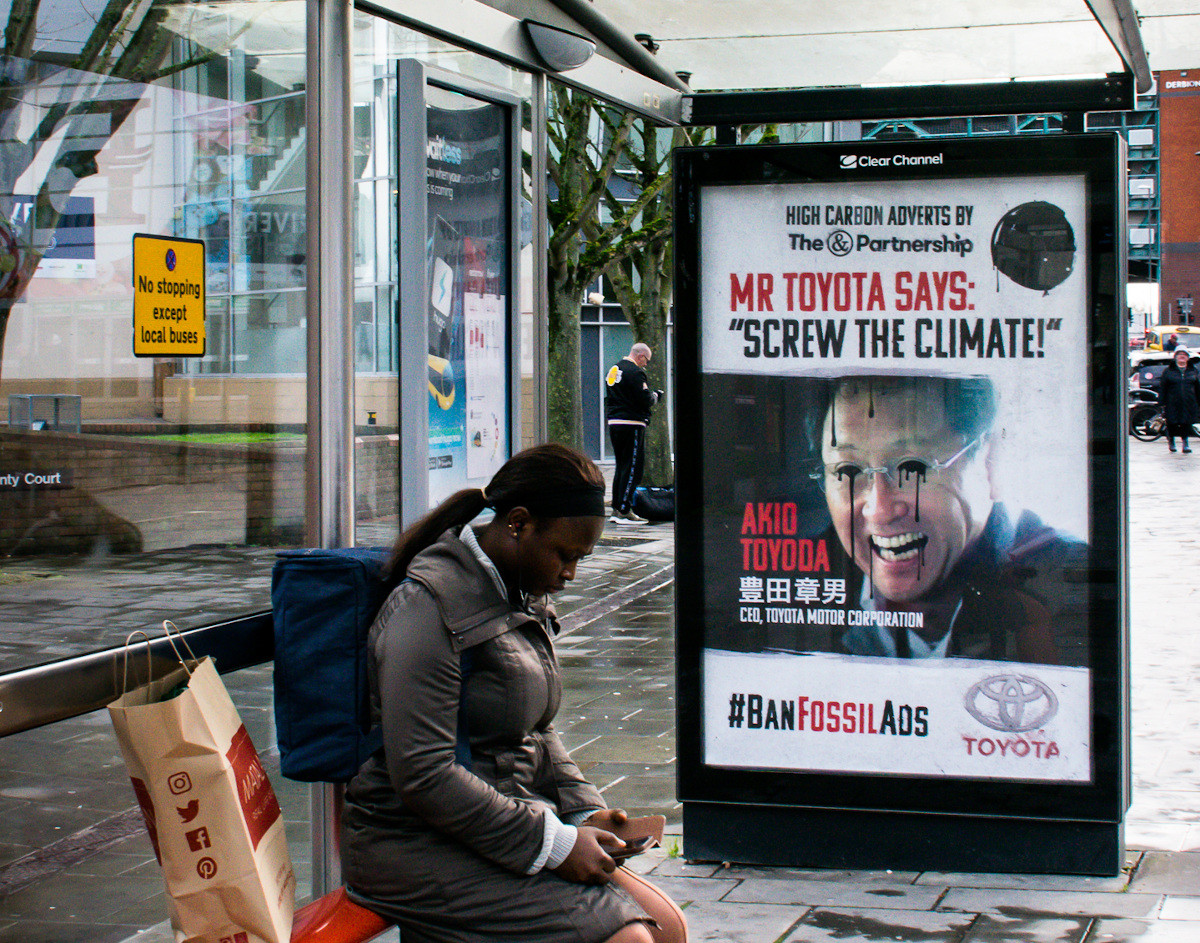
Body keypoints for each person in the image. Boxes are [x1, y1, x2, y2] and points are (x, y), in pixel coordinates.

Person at [341, 443, 687, 943]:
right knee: (627, 939)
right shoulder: (427, 608)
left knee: (668, 925)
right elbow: (423, 773)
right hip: (407, 843)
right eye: (565, 555)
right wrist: (553, 843)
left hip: (496, 822)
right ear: (519, 523)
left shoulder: (517, 591)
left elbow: (537, 730)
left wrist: (584, 810)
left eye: (581, 559)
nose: (570, 575)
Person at [814, 374, 1088, 665]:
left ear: (990, 462)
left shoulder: (1072, 585)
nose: (879, 510)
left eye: (913, 467)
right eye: (847, 471)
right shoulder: (790, 581)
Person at [605, 343, 660, 523]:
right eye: (646, 361)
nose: (645, 365)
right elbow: (644, 399)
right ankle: (624, 510)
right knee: (633, 467)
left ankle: (616, 508)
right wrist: (656, 396)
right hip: (632, 423)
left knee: (622, 466)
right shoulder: (635, 372)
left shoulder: (613, 369)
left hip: (615, 423)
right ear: (641, 356)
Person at [1159, 347, 1200, 453]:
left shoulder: (1193, 371)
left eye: (1184, 355)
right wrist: (1161, 402)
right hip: (1172, 402)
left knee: (1186, 422)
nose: (1182, 357)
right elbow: (1163, 387)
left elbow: (1197, 387)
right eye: (1179, 354)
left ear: (1188, 358)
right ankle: (1171, 441)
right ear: (1175, 357)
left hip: (1188, 402)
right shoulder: (1168, 371)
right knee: (1172, 423)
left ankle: (1185, 443)